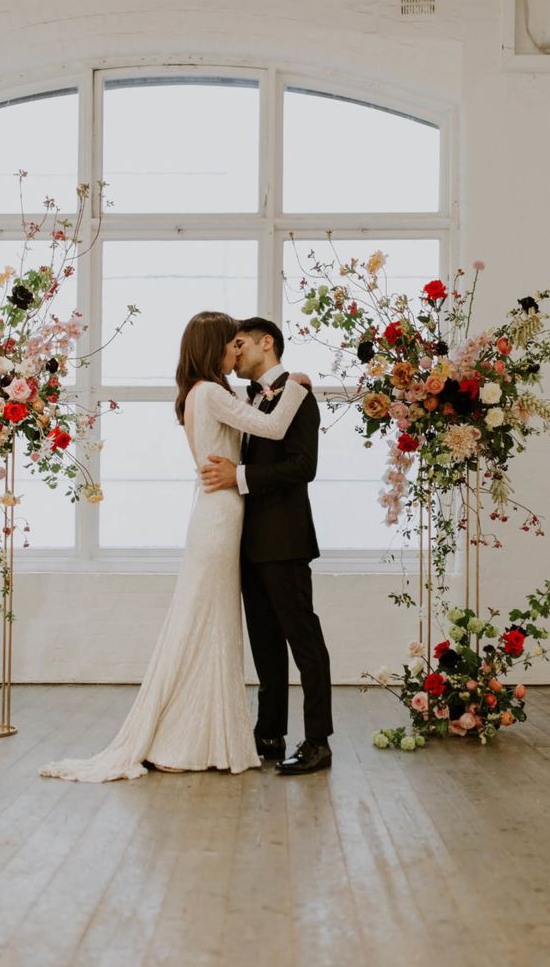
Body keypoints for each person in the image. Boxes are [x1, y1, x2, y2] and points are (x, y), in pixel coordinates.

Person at [39, 311, 309, 782]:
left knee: (210, 623)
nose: (238, 350)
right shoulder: (208, 393)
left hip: (219, 514)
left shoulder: (204, 394)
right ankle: (184, 737)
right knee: (207, 623)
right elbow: (273, 428)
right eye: (232, 343)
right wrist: (300, 385)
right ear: (215, 348)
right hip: (221, 515)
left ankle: (192, 733)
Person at [200, 317, 333, 776]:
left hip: (286, 540)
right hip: (248, 542)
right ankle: (269, 733)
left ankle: (318, 740)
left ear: (266, 343)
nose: (234, 354)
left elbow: (302, 467)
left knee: (304, 640)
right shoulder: (248, 402)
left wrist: (237, 477)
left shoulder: (299, 396)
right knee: (265, 645)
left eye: (240, 344)